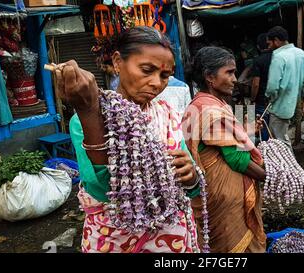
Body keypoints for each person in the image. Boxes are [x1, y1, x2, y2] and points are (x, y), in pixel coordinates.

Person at [57, 27, 200, 253]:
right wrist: (88, 112)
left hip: (172, 238)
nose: (156, 83)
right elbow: (102, 189)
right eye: (146, 70)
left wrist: (191, 176)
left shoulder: (168, 114)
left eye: (164, 75)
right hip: (113, 240)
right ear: (117, 62)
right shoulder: (87, 118)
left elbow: (191, 185)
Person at [182, 46, 267, 253]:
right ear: (210, 77)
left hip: (209, 192)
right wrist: (268, 175)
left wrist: (246, 131)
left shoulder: (198, 104)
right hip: (225, 197)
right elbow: (236, 159)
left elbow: (222, 144)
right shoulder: (212, 110)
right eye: (229, 72)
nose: (235, 78)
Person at [265, 26, 304, 150]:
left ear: (276, 40)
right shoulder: (301, 53)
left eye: (269, 43)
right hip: (294, 102)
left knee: (279, 141)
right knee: (280, 138)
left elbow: (272, 86)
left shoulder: (279, 57)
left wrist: (270, 98)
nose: (269, 46)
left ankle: (290, 167)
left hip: (280, 105)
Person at [249, 33, 272, 142]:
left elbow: (256, 84)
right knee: (274, 127)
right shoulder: (278, 58)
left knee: (263, 125)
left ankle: (266, 149)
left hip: (262, 99)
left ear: (258, 46)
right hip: (276, 99)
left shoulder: (258, 61)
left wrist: (252, 99)